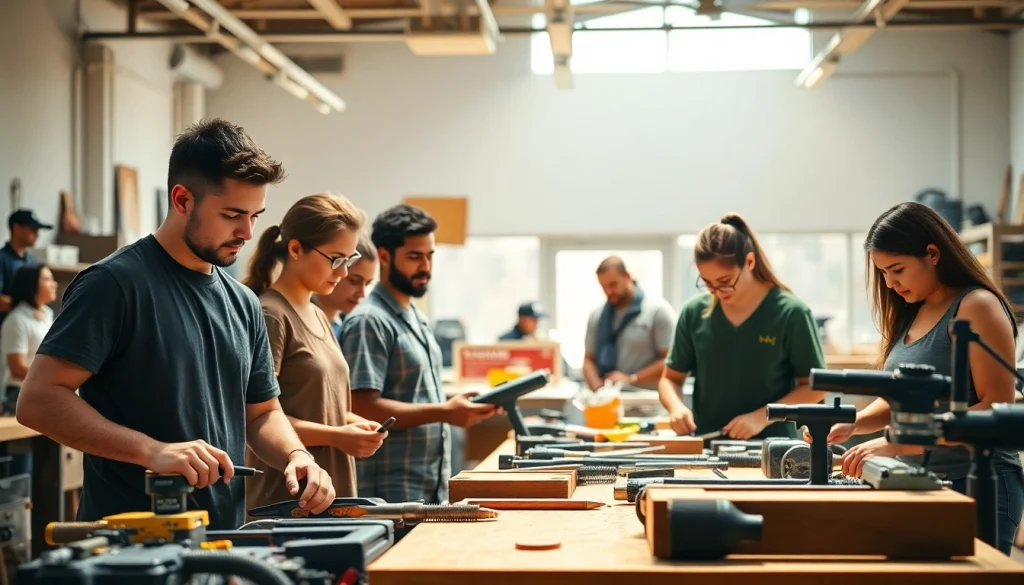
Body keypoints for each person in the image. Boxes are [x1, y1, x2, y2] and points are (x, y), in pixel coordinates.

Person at [15, 118, 336, 530]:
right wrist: (153, 452)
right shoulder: (114, 284)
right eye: (232, 215)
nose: (247, 232)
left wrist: (297, 456)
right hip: (127, 547)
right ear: (182, 199)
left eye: (256, 215)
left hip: (220, 540)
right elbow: (38, 400)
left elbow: (261, 414)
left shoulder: (243, 303)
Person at [811, 201, 1024, 555]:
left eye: (897, 269)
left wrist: (897, 441)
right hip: (925, 478)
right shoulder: (913, 309)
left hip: (978, 482)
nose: (890, 283)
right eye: (882, 273)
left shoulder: (976, 306)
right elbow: (903, 395)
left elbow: (995, 409)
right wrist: (853, 422)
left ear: (932, 254)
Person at [340, 204, 498, 504]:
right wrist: (445, 412)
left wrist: (459, 406)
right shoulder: (369, 321)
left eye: (430, 256)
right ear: (384, 257)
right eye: (414, 257)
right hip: (390, 490)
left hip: (429, 482)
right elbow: (362, 406)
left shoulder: (416, 316)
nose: (425, 266)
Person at [242, 193, 387, 511]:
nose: (344, 272)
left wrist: (351, 424)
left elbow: (317, 403)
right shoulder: (271, 315)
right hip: (288, 498)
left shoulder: (318, 313)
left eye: (348, 260)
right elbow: (259, 417)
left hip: (329, 493)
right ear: (296, 249)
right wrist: (336, 436)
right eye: (336, 259)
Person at [658, 214, 827, 440]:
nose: (716, 292)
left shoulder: (791, 314)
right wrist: (676, 408)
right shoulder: (693, 312)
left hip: (775, 449)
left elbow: (816, 388)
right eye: (707, 283)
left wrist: (763, 416)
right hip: (708, 447)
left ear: (749, 262)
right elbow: (670, 379)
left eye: (725, 282)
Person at [582, 257, 676, 391]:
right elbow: (588, 360)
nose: (609, 292)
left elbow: (671, 361)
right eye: (604, 287)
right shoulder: (596, 316)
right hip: (608, 400)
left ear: (627, 277)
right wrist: (598, 389)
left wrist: (631, 379)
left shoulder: (657, 311)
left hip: (648, 399)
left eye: (613, 284)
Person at [1, 264, 57, 413]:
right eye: (47, 279)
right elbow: (17, 368)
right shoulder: (17, 320)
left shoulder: (48, 315)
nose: (54, 284)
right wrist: (55, 379)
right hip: (20, 394)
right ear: (31, 285)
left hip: (45, 390)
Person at [312, 232, 379, 341]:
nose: (362, 293)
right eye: (354, 281)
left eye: (368, 283)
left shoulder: (352, 326)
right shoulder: (302, 319)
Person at [0, 209, 52, 323]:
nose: (37, 235)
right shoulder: (2, 259)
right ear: (17, 229)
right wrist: (25, 309)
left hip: (31, 324)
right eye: (33, 230)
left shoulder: (32, 262)